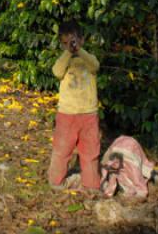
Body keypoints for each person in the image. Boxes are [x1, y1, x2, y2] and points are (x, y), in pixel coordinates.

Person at [48, 19, 101, 191]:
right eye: (65, 43)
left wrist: (80, 50)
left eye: (73, 41)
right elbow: (56, 72)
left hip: (89, 114)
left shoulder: (89, 59)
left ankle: (91, 185)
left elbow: (95, 65)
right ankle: (56, 182)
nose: (69, 45)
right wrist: (68, 53)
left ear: (82, 40)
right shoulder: (64, 61)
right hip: (67, 114)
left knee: (90, 152)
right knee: (62, 149)